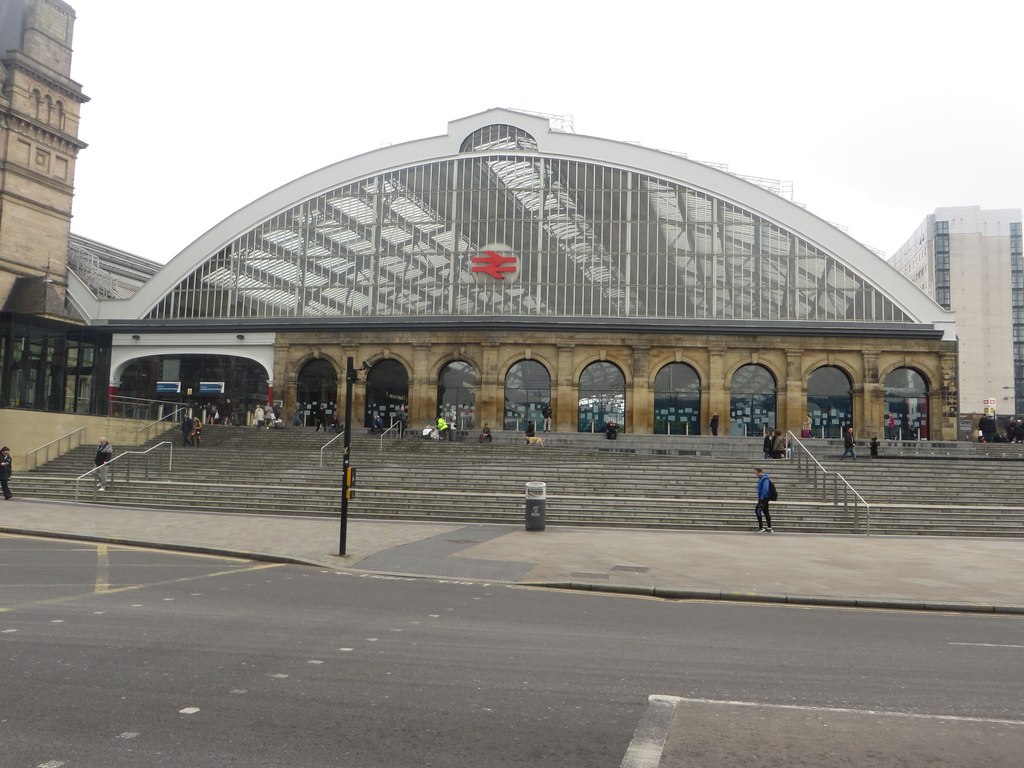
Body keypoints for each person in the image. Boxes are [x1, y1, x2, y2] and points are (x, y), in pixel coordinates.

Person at [754, 467, 773, 533]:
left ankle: (761, 527)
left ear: (760, 472)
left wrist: (762, 498)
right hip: (763, 498)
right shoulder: (761, 479)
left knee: (757, 510)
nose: (755, 474)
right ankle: (769, 527)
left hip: (763, 498)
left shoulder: (765, 479)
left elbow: (766, 489)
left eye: (756, 473)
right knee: (765, 512)